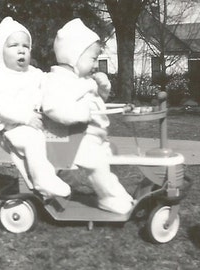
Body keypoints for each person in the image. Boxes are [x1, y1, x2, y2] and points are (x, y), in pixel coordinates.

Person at [42, 18, 134, 214]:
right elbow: (52, 107)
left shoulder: (82, 80)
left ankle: (115, 192)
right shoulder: (57, 81)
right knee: (97, 163)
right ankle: (109, 198)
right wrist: (80, 114)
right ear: (75, 56)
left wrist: (102, 88)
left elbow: (97, 102)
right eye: (93, 58)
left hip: (94, 135)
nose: (95, 64)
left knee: (108, 161)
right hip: (74, 137)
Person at [0, 17, 71, 198]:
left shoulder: (33, 73)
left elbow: (48, 81)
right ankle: (42, 180)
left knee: (62, 136)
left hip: (34, 123)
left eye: (25, 46)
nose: (21, 50)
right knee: (34, 141)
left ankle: (53, 172)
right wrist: (25, 117)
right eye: (13, 45)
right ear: (0, 51)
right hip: (13, 127)